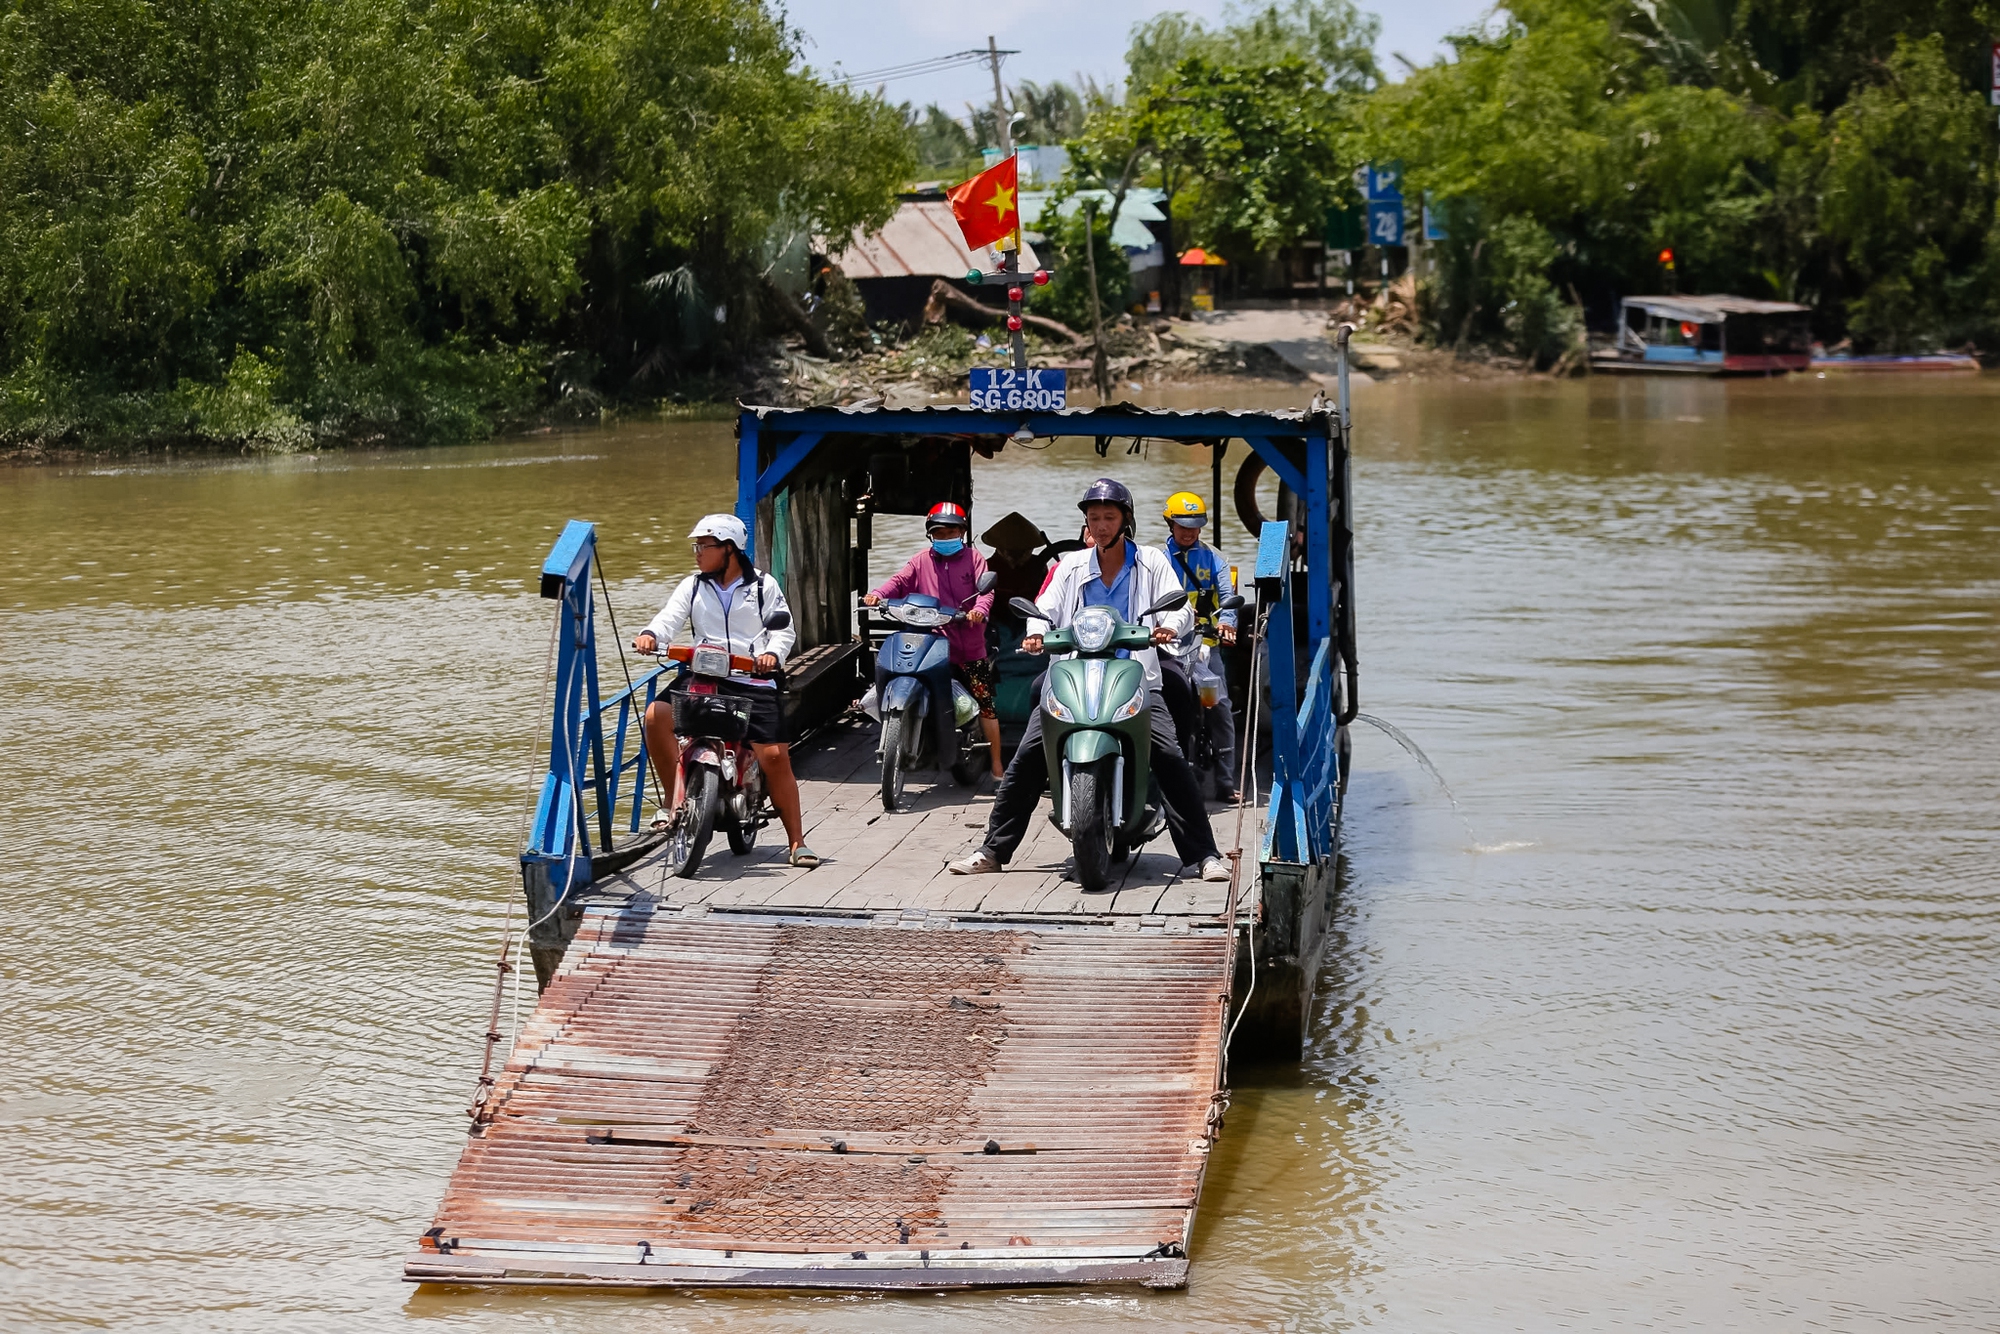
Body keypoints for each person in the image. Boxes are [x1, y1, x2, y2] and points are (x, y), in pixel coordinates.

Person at [949, 478, 1231, 883]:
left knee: (1169, 754)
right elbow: (1044, 609)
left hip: (1136, 676)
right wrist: (1035, 631)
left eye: (1108, 517)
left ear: (1125, 520)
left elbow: (1179, 606)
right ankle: (992, 850)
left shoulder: (1151, 560)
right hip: (1075, 675)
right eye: (1093, 517)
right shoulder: (1072, 565)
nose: (1100, 525)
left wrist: (1168, 626)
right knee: (1028, 755)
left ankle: (1204, 855)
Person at [632, 514, 818, 868]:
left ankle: (797, 841)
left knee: (775, 757)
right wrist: (651, 636)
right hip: (704, 675)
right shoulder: (693, 586)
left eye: (705, 546)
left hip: (752, 679)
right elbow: (668, 618)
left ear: (728, 548)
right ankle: (677, 803)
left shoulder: (763, 587)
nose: (698, 553)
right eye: (697, 546)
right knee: (656, 716)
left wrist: (770, 655)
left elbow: (783, 629)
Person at [861, 501, 1004, 781]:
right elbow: (899, 581)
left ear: (962, 532)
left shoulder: (974, 559)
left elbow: (986, 592)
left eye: (952, 532)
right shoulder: (920, 560)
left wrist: (979, 610)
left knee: (986, 705)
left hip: (969, 649)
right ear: (930, 534)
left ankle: (998, 767)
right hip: (931, 646)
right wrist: (877, 594)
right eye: (940, 533)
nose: (946, 537)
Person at [1159, 490, 1239, 802]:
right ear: (1170, 524)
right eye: (1183, 525)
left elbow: (1227, 598)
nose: (1189, 531)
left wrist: (1227, 623)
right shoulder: (1156, 561)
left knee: (1219, 705)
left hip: (1205, 644)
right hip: (1169, 647)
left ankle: (1225, 778)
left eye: (1195, 525)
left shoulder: (1215, 560)